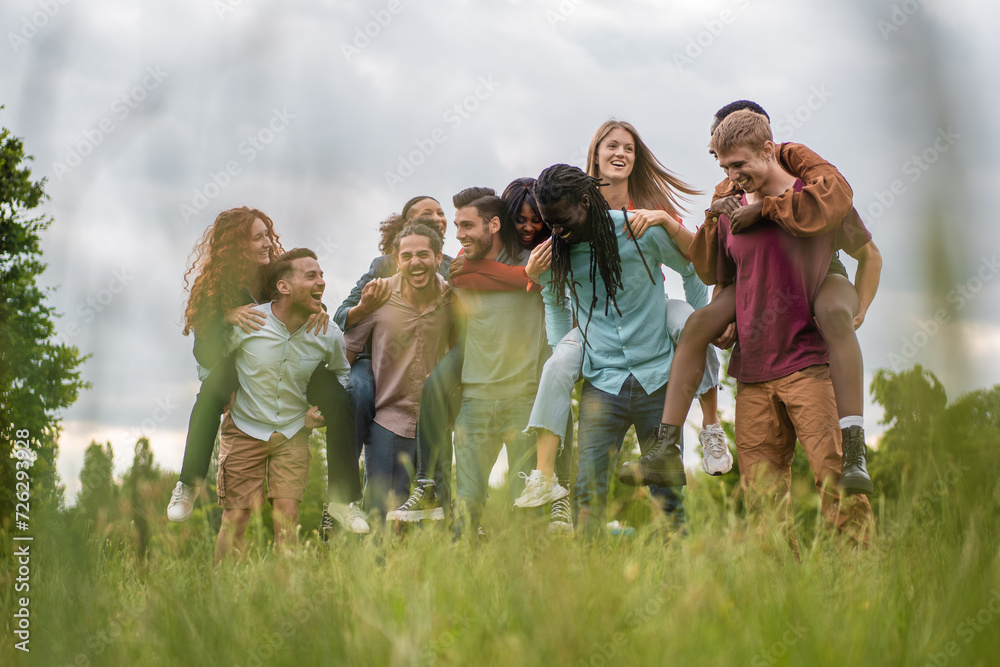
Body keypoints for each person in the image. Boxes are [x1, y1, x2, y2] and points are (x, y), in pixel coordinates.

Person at [633, 111, 875, 552]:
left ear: (768, 149)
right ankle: (782, 599)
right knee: (763, 503)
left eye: (739, 165)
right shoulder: (729, 203)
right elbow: (717, 274)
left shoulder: (815, 196)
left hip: (809, 367)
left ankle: (862, 585)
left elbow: (867, 251)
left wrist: (858, 309)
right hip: (753, 372)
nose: (731, 176)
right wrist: (712, 218)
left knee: (836, 482)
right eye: (724, 167)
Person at [515, 121, 724, 520]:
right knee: (587, 494)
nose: (556, 231)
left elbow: (695, 266)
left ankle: (712, 425)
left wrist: (704, 321)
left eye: (562, 221)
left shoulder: (640, 227)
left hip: (657, 376)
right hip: (602, 381)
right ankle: (551, 494)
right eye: (550, 223)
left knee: (668, 496)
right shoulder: (556, 248)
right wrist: (568, 345)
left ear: (586, 203)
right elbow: (556, 301)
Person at [167, 208, 366, 534]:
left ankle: (344, 498)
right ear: (235, 245)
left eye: (267, 235)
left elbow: (303, 291)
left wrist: (322, 312)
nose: (267, 243)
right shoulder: (214, 287)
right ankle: (188, 485)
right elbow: (203, 352)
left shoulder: (271, 274)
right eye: (257, 237)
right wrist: (227, 319)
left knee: (339, 398)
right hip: (242, 362)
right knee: (208, 395)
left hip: (294, 361)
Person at [214, 248, 353, 564]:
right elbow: (211, 361)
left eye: (321, 275)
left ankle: (285, 598)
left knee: (287, 518)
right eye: (311, 275)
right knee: (236, 518)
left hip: (293, 431)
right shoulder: (252, 321)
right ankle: (221, 594)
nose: (321, 281)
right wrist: (223, 394)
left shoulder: (327, 332)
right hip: (244, 430)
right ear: (284, 287)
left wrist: (322, 409)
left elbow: (342, 373)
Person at [449, 187, 570, 535]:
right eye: (457, 225)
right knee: (466, 505)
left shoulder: (538, 257)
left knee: (526, 508)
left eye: (467, 225)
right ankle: (463, 580)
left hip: (525, 400)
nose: (459, 234)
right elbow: (459, 281)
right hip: (474, 401)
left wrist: (529, 276)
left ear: (493, 225)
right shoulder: (464, 266)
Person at [343, 224, 456, 517]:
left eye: (423, 254)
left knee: (435, 516)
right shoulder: (378, 295)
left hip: (436, 423)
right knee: (381, 517)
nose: (415, 262)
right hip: (389, 421)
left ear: (438, 257)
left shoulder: (451, 298)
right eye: (407, 256)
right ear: (396, 260)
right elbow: (349, 350)